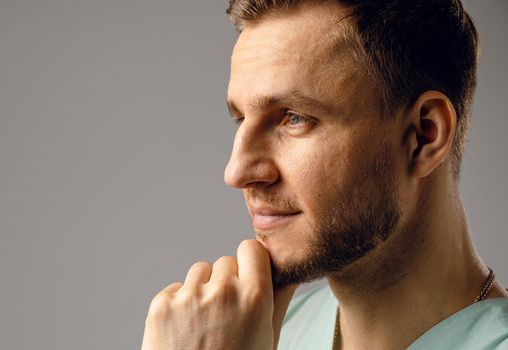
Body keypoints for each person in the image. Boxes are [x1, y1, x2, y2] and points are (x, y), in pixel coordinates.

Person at [141, 0, 508, 349]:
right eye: (240, 118)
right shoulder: (251, 335)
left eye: (294, 118)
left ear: (423, 136)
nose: (236, 171)